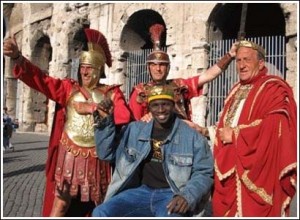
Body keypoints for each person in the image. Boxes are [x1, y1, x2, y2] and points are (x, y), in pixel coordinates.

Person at [3, 28, 131, 217]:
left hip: (98, 158)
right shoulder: (69, 89)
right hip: (69, 154)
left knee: (100, 205)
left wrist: (94, 108)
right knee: (60, 205)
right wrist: (18, 58)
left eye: (90, 67)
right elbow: (42, 80)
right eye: (82, 67)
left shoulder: (112, 93)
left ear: (99, 70)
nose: (84, 71)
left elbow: (124, 117)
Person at [199, 40, 297, 217]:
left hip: (256, 172)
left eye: (247, 60)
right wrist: (205, 131)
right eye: (238, 61)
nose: (242, 65)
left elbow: (277, 123)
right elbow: (226, 125)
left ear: (260, 64)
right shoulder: (235, 89)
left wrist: (237, 135)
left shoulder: (273, 87)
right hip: (227, 169)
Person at [92, 84, 214, 217]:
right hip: (140, 192)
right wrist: (105, 122)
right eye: (155, 105)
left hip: (171, 195)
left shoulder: (192, 137)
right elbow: (106, 154)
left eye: (165, 104)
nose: (161, 110)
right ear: (149, 108)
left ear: (173, 105)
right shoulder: (134, 130)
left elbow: (204, 172)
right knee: (101, 212)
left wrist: (187, 196)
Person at [129, 23, 237, 122]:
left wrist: (229, 56)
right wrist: (144, 120)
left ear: (168, 68)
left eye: (162, 65)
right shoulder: (140, 91)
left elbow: (208, 75)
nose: (158, 69)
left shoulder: (179, 85)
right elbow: (134, 123)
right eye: (154, 65)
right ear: (148, 68)